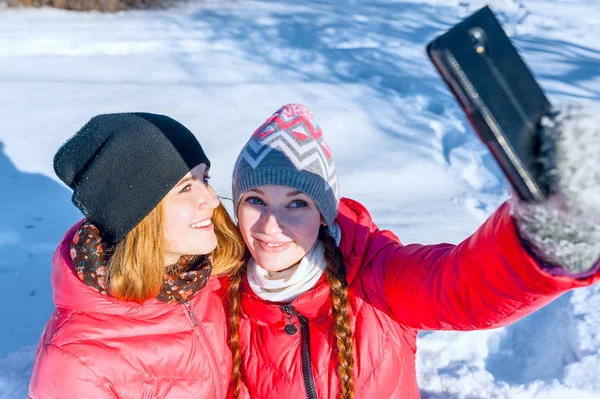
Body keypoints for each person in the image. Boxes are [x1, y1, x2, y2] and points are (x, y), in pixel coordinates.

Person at [226, 103, 600, 399]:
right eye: (256, 200)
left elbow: (460, 286)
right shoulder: (219, 293)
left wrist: (543, 236)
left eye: (296, 204)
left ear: (324, 214)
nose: (270, 225)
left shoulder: (374, 272)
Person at [28, 112, 244, 399]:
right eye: (185, 188)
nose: (212, 200)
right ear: (136, 215)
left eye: (205, 178)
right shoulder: (76, 364)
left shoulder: (212, 278)